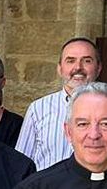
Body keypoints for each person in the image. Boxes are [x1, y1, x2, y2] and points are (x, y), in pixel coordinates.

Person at [17, 38, 102, 170]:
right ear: (60, 69)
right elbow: (21, 163)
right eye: (70, 61)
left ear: (98, 68)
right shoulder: (38, 109)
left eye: (87, 61)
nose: (78, 67)